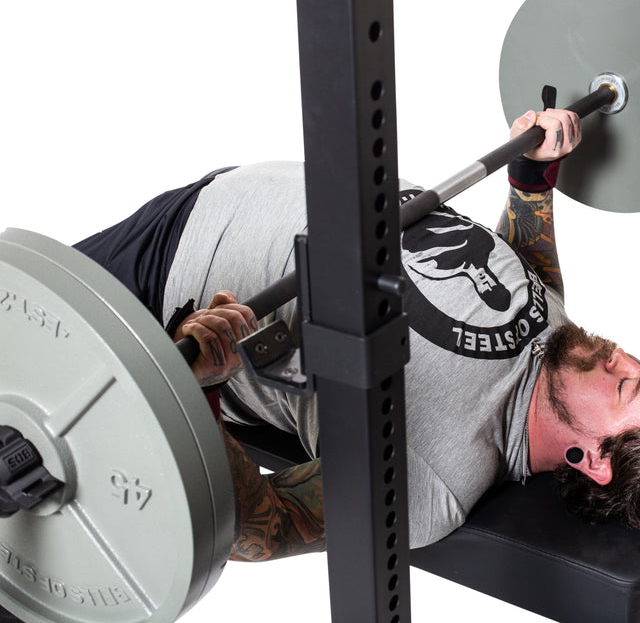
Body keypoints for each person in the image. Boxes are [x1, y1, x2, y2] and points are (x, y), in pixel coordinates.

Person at [73, 108, 640, 562]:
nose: (630, 363)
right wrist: (532, 181)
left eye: (630, 392)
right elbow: (530, 277)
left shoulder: (436, 480)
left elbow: (265, 530)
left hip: (155, 288)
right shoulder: (569, 353)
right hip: (220, 192)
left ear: (592, 460)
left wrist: (198, 394)